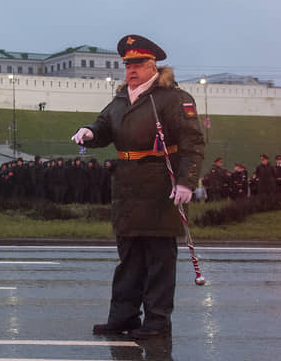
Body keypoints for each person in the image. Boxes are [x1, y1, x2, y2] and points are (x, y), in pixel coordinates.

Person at [73, 34, 204, 340]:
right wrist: (90, 132)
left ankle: (157, 321)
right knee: (129, 258)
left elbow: (193, 142)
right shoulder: (121, 98)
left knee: (159, 259)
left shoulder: (173, 98)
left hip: (159, 185)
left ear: (153, 65)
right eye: (127, 64)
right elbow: (104, 125)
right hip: (127, 187)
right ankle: (123, 316)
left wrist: (186, 181)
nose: (131, 70)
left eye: (138, 64)